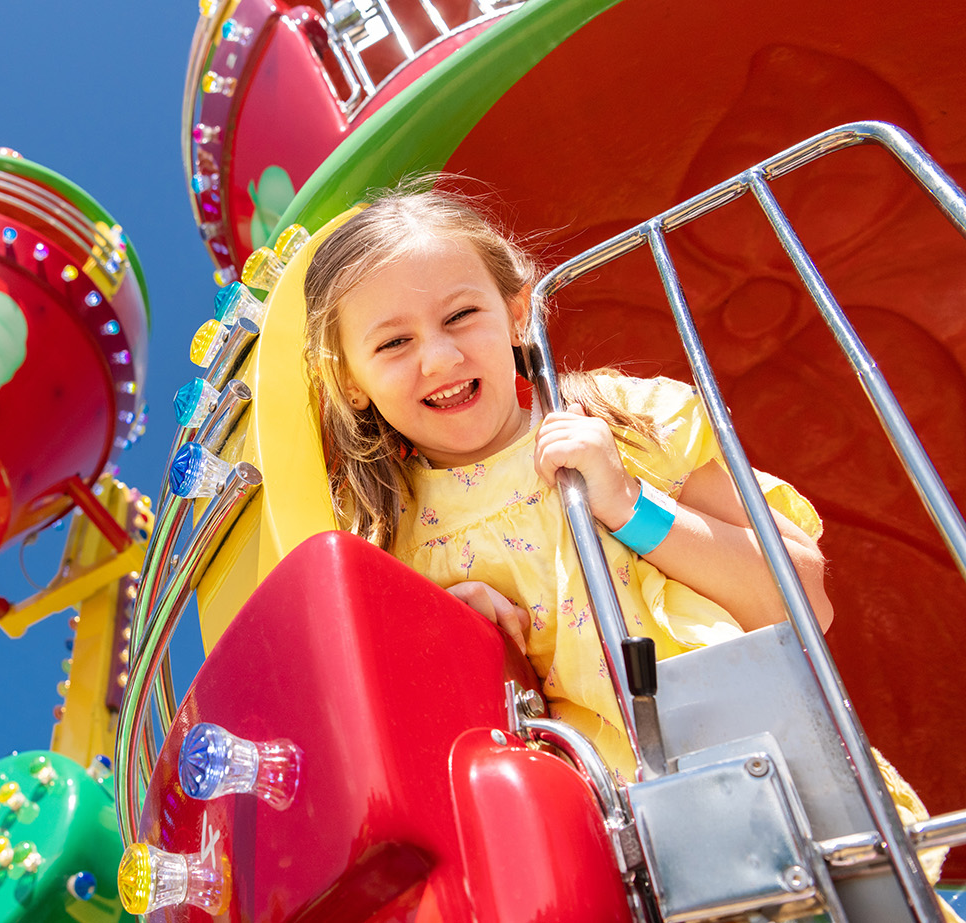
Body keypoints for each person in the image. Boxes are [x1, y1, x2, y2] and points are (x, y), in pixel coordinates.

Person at [300, 180, 950, 882]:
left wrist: (627, 501)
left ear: (518, 311)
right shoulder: (391, 554)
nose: (439, 357)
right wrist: (454, 647)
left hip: (794, 793)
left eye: (461, 315)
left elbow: (805, 600)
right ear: (350, 380)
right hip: (618, 865)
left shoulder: (623, 417)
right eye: (394, 341)